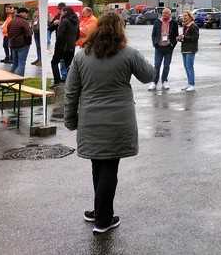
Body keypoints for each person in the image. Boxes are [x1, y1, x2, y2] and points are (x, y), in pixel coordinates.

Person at [64, 12, 155, 234]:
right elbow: (149, 75)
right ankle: (103, 219)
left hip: (90, 119)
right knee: (108, 169)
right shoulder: (128, 53)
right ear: (120, 30)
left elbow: (71, 90)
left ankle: (100, 211)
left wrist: (70, 118)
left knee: (98, 165)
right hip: (118, 121)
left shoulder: (81, 56)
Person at [149, 8, 178, 91]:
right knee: (157, 65)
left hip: (168, 48)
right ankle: (154, 82)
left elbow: (176, 35)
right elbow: (153, 34)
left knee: (166, 66)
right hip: (159, 47)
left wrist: (172, 45)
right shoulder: (157, 22)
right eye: (163, 13)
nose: (165, 15)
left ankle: (164, 81)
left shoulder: (174, 23)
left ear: (170, 14)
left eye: (167, 13)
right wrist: (155, 44)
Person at [52, 7, 79, 85]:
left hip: (62, 46)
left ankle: (57, 81)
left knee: (54, 62)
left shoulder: (64, 21)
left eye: (62, 12)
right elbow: (77, 35)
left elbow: (60, 35)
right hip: (71, 47)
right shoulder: (76, 21)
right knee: (69, 65)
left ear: (66, 12)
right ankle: (70, 82)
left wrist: (57, 46)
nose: (61, 13)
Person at [8, 7, 33, 76]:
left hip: (13, 44)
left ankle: (9, 78)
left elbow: (8, 32)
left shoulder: (12, 21)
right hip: (23, 45)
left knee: (15, 63)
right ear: (22, 13)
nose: (27, 15)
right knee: (21, 63)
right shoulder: (24, 21)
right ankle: (18, 80)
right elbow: (29, 33)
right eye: (26, 13)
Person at [178, 11, 199, 91]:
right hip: (184, 49)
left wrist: (184, 37)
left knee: (189, 67)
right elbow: (186, 37)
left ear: (190, 17)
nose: (184, 17)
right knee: (186, 67)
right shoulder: (185, 26)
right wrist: (180, 38)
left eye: (186, 16)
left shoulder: (194, 26)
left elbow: (195, 38)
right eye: (184, 16)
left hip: (190, 49)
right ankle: (189, 83)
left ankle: (192, 84)